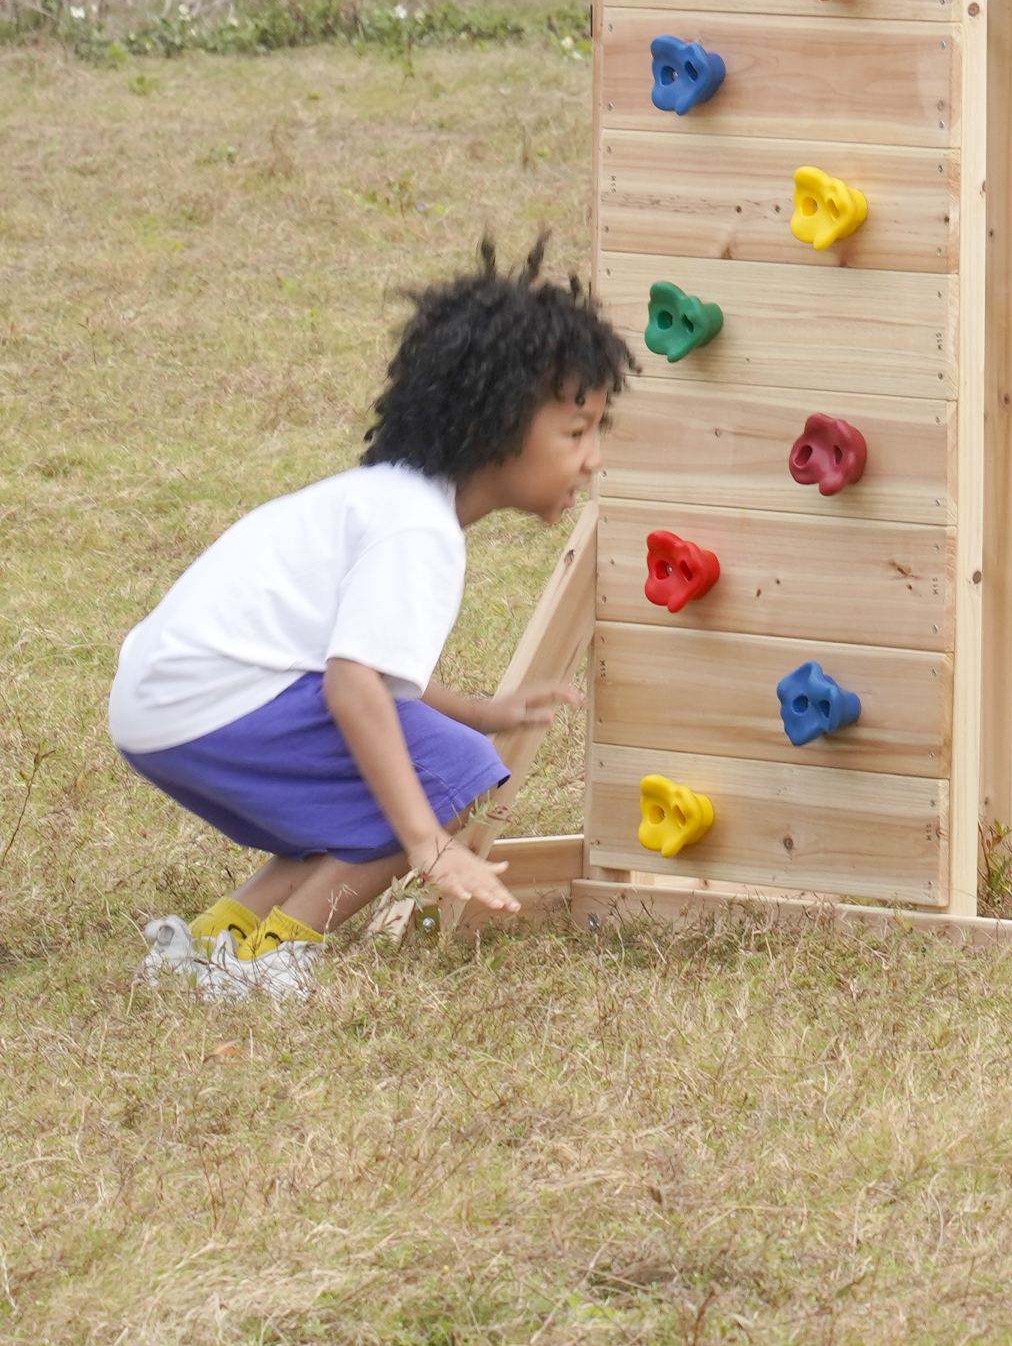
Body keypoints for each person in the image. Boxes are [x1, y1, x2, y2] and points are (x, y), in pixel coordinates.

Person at [112, 239, 632, 996]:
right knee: (453, 775)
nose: (591, 461)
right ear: (497, 427)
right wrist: (429, 843)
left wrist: (484, 708)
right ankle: (271, 961)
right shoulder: (416, 530)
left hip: (166, 703)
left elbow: (372, 679)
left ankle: (208, 945)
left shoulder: (389, 500)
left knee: (376, 786)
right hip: (216, 701)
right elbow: (354, 691)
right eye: (576, 433)